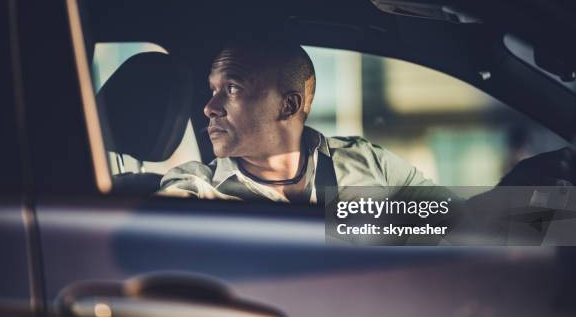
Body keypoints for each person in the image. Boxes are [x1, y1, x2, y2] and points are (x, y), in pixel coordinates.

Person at [159, 37, 453, 204]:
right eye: (213, 90)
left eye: (232, 89)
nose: (209, 107)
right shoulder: (196, 188)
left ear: (288, 105)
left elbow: (461, 224)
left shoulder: (368, 163)